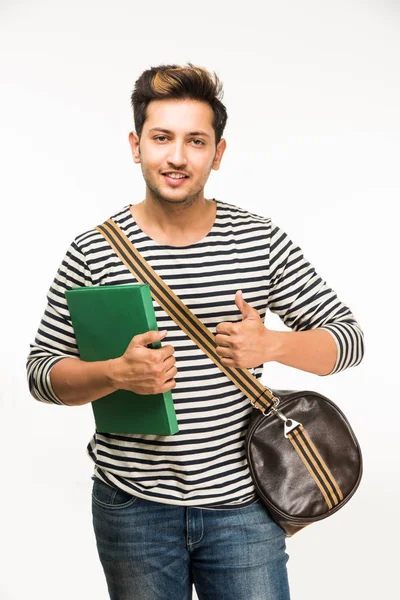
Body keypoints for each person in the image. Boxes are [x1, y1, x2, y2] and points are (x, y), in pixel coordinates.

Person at [27, 63, 364, 600]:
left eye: (195, 141)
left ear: (218, 153)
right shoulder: (91, 251)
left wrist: (271, 344)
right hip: (131, 507)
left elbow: (347, 340)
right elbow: (42, 374)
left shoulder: (258, 239)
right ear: (137, 145)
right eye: (162, 138)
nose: (177, 157)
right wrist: (114, 373)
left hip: (245, 508)